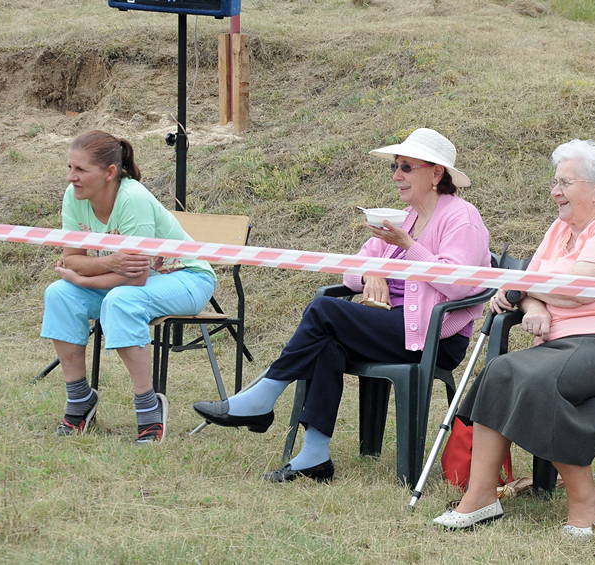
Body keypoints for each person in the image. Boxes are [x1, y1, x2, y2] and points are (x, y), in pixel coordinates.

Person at [193, 128, 491, 482]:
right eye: (395, 166)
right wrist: (373, 274)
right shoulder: (404, 218)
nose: (396, 175)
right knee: (326, 342)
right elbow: (351, 274)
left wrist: (408, 246)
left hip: (432, 336)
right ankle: (314, 457)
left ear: (436, 173)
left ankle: (263, 397)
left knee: (325, 311)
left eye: (406, 167)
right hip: (392, 326)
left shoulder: (462, 217)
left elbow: (459, 285)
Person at [433, 139, 595, 536]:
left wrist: (527, 291)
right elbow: (528, 287)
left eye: (565, 183)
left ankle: (587, 501)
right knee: (500, 370)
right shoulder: (559, 229)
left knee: (539, 381)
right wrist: (533, 307)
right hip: (560, 344)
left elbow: (580, 290)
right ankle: (482, 495)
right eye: (555, 182)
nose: (555, 191)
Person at [41, 130, 216, 443]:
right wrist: (108, 264)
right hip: (126, 281)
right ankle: (80, 400)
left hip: (188, 278)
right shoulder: (73, 197)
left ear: (110, 173)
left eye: (80, 170)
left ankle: (149, 408)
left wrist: (84, 277)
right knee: (59, 293)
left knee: (122, 299)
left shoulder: (132, 197)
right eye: (70, 168)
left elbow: (135, 276)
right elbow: (71, 258)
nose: (71, 177)